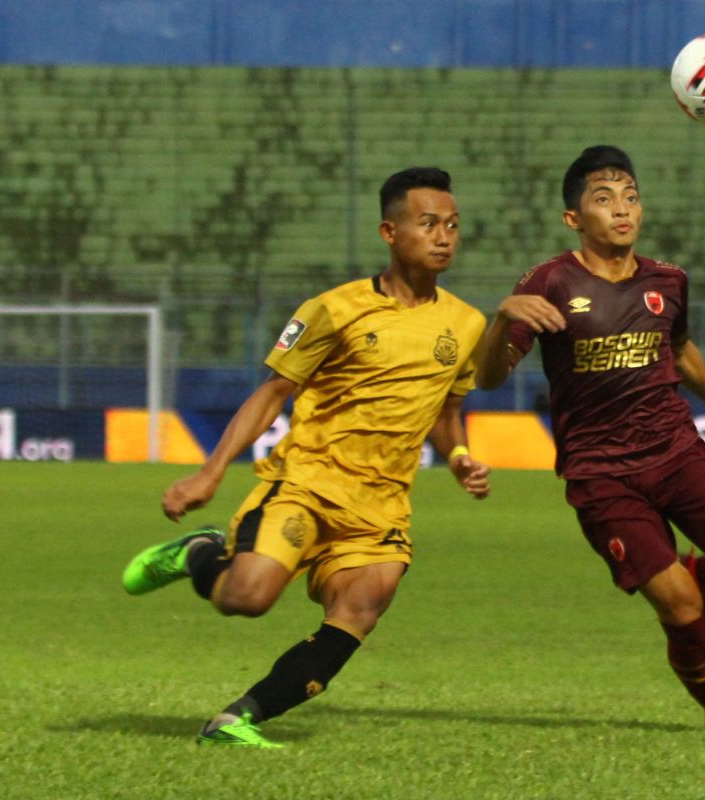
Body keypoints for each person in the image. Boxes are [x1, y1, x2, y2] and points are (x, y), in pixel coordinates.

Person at [121, 167, 491, 747]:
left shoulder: (467, 324)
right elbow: (271, 394)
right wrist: (209, 473)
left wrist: (462, 455)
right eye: (428, 225)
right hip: (307, 485)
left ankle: (238, 718)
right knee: (247, 598)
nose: (443, 237)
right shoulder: (332, 309)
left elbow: (446, 415)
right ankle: (197, 554)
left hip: (381, 509)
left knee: (361, 608)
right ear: (389, 232)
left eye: (452, 225)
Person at [473, 145, 705, 732]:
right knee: (682, 608)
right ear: (574, 218)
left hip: (676, 452)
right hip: (601, 475)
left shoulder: (669, 279)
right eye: (604, 198)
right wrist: (500, 318)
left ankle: (688, 568)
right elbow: (486, 378)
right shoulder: (549, 282)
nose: (623, 209)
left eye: (631, 197)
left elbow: (680, 348)